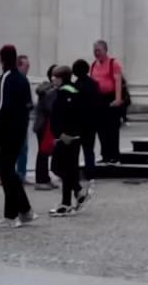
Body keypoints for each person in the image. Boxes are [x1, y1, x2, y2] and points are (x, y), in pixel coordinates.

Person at [0, 45, 34, 226]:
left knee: (7, 171)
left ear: (2, 59)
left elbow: (1, 105)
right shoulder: (23, 79)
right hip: (19, 129)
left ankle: (11, 215)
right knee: (9, 171)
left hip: (7, 130)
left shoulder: (6, 78)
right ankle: (25, 210)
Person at [48, 67, 87, 216]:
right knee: (68, 168)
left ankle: (66, 203)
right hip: (72, 137)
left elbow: (62, 116)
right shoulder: (74, 90)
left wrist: (61, 134)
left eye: (55, 76)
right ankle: (77, 191)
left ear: (61, 78)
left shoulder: (65, 93)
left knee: (59, 167)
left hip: (66, 137)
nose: (53, 79)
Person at [89, 39, 125, 165]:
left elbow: (118, 81)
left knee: (112, 129)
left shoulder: (113, 63)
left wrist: (118, 98)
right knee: (101, 129)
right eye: (95, 50)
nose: (96, 53)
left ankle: (115, 156)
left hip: (111, 98)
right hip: (98, 100)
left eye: (98, 50)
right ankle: (105, 155)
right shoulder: (93, 65)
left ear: (105, 50)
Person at [71, 58, 100, 188]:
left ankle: (75, 173)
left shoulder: (75, 86)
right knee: (89, 150)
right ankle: (91, 173)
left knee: (76, 150)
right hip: (91, 121)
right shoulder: (93, 84)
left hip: (78, 123)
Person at [33, 66, 61, 191]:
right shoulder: (50, 90)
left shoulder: (47, 88)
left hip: (43, 123)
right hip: (45, 124)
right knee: (43, 152)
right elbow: (51, 107)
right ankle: (41, 180)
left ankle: (45, 178)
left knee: (44, 151)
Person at [15, 53, 33, 184]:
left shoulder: (23, 79)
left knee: (22, 148)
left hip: (23, 119)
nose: (28, 68)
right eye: (26, 66)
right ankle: (20, 174)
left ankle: (21, 173)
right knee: (20, 147)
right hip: (17, 119)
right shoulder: (18, 80)